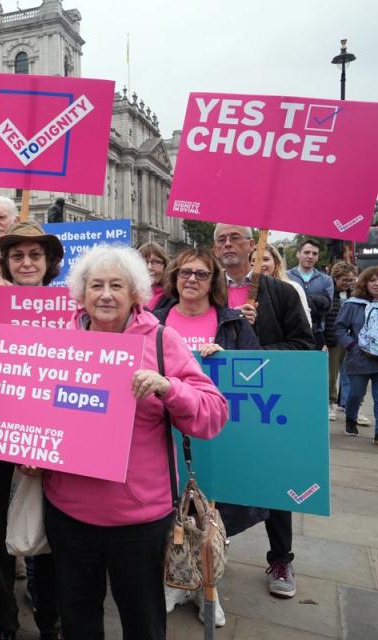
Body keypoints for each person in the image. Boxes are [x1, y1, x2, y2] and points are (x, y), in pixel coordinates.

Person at [46, 245, 228, 639]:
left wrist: (169, 388)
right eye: (96, 285)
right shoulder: (59, 340)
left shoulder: (163, 341)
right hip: (68, 512)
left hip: (139, 518)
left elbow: (214, 414)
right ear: (81, 293)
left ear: (135, 293)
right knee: (77, 619)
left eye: (117, 285)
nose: (106, 294)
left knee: (143, 621)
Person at [152, 247, 260, 627]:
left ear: (214, 281)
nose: (192, 280)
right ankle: (177, 580)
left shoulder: (232, 324)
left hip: (215, 436)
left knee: (210, 516)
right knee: (172, 514)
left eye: (201, 273)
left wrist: (225, 359)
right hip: (163, 434)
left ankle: (207, 588)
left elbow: (254, 370)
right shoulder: (155, 319)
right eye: (184, 273)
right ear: (174, 278)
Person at [0, 221, 63, 640]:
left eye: (35, 255)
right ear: (5, 262)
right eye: (17, 255)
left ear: (49, 262)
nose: (26, 262)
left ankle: (49, 619)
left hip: (50, 440)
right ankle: (3, 619)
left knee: (51, 533)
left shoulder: (67, 308)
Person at [212, 223, 314, 600]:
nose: (227, 244)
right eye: (220, 239)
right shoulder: (209, 288)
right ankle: (212, 548)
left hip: (266, 403)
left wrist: (257, 347)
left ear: (252, 244)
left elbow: (304, 345)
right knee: (214, 481)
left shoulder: (281, 292)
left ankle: (281, 558)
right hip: (220, 404)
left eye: (234, 237)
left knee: (275, 484)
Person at [334, 266, 378, 443]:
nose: (377, 284)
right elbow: (339, 328)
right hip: (359, 359)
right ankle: (351, 419)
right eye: (373, 280)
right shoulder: (353, 304)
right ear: (365, 283)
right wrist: (352, 346)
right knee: (355, 394)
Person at [286, 239, 333, 349]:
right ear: (298, 254)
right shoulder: (285, 276)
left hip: (316, 333)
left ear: (317, 257)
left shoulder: (326, 280)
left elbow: (327, 307)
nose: (310, 256)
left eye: (314, 253)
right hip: (290, 333)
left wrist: (301, 300)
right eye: (306, 252)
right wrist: (317, 301)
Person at [325, 262, 357, 421]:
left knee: (349, 374)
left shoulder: (354, 293)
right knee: (332, 374)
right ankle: (330, 402)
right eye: (344, 280)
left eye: (351, 280)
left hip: (351, 340)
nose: (348, 283)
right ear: (335, 278)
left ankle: (344, 403)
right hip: (334, 339)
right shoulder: (329, 292)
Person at [251, 244, 312, 327]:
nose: (260, 264)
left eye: (265, 259)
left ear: (276, 262)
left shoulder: (292, 287)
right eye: (254, 260)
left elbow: (305, 324)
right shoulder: (247, 291)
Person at [138, 241, 169, 310]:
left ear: (165, 266)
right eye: (145, 262)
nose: (149, 267)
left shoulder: (174, 297)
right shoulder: (128, 294)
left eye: (156, 262)